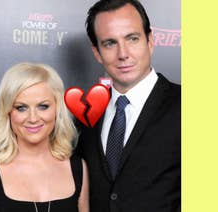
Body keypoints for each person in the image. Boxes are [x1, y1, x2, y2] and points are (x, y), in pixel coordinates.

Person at [76, 0, 181, 211]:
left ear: (150, 40)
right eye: (110, 43)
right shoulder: (85, 115)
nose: (123, 54)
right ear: (96, 52)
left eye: (132, 38)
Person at [0, 62, 89, 212]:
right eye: (21, 108)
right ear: (8, 112)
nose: (33, 118)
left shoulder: (79, 169)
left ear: (57, 109)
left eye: (43, 106)